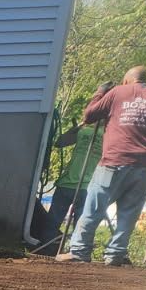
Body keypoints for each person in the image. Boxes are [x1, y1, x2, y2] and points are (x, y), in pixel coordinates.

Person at [57, 66, 146, 266]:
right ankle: (115, 255)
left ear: (126, 81)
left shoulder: (118, 92)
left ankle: (80, 251)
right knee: (129, 213)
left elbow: (89, 115)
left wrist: (100, 93)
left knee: (93, 206)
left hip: (115, 161)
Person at [44, 83, 111, 243]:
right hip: (79, 186)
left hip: (79, 186)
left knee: (54, 224)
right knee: (80, 228)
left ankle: (50, 248)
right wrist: (79, 127)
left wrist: (81, 125)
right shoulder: (104, 135)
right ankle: (69, 252)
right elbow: (59, 143)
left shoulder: (93, 132)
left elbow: (60, 142)